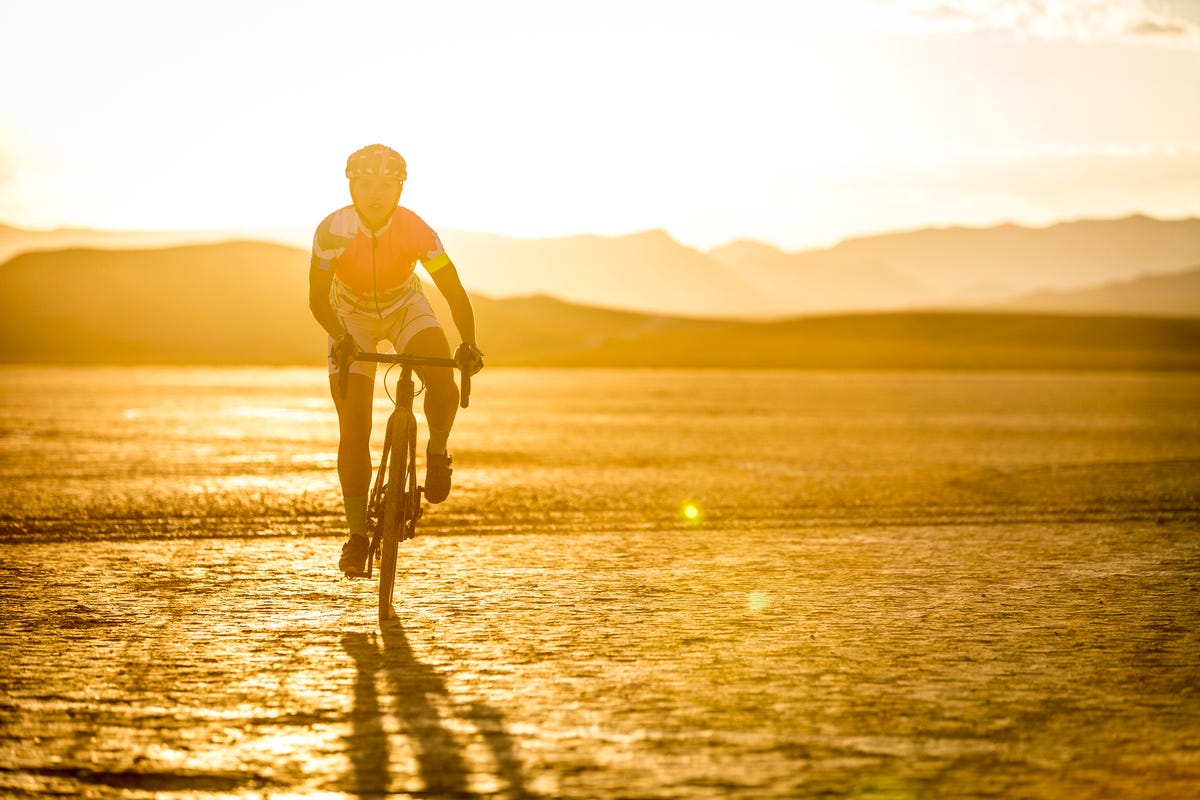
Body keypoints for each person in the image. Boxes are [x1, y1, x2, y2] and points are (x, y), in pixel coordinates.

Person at [308, 144, 484, 577]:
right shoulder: (332, 230)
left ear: (400, 188)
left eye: (386, 186)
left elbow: (452, 288)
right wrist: (340, 336)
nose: (375, 194)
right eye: (365, 184)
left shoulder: (416, 230)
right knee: (354, 425)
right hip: (349, 318)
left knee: (443, 383)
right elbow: (316, 299)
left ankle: (437, 451)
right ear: (350, 185)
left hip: (406, 307)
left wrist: (470, 343)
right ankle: (356, 536)